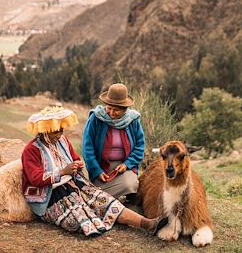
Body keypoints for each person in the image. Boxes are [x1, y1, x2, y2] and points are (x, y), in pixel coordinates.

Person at [21, 106, 165, 237]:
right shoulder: (31, 150)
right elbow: (36, 179)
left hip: (73, 183)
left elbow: (75, 157)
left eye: (61, 130)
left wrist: (76, 165)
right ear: (46, 130)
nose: (60, 134)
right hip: (51, 195)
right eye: (56, 131)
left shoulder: (62, 141)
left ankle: (148, 223)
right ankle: (98, 219)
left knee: (104, 200)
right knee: (78, 218)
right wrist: (63, 172)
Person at [82, 83, 144, 201]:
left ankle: (101, 198)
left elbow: (140, 146)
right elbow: (87, 148)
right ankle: (100, 196)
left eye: (116, 110)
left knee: (130, 185)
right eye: (109, 108)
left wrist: (127, 164)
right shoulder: (95, 119)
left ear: (125, 110)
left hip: (123, 167)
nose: (111, 113)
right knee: (98, 190)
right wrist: (97, 170)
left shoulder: (133, 120)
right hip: (101, 167)